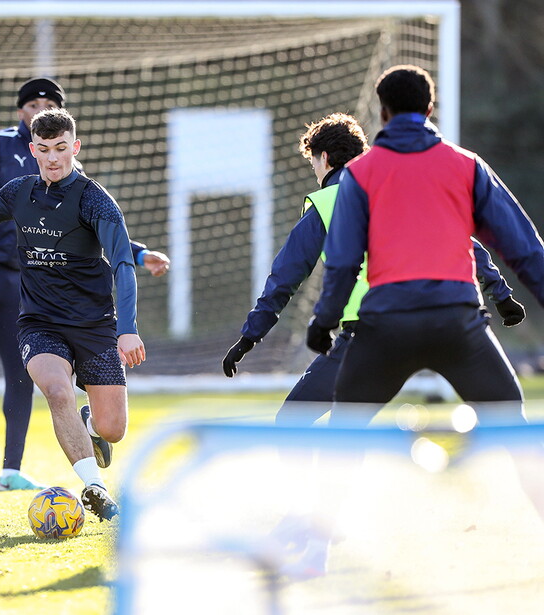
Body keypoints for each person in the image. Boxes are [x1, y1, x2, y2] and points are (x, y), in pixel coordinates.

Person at [221, 112, 525, 577]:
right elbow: (467, 242)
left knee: (302, 422)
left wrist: (250, 335)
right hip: (444, 323)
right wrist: (501, 294)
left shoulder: (326, 202)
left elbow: (285, 277)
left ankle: (312, 527)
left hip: (369, 335)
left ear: (323, 158)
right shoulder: (402, 187)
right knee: (511, 423)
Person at [304, 64, 544, 576]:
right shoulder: (466, 165)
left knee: (344, 433)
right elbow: (522, 248)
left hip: (384, 328)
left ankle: (314, 554)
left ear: (383, 113)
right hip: (457, 325)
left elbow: (344, 262)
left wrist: (324, 322)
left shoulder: (361, 176)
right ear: (429, 109)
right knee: (515, 429)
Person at [0, 77, 169, 494]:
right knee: (14, 376)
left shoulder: (88, 191)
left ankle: (45, 449)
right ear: (29, 139)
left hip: (56, 300)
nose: (52, 157)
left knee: (83, 410)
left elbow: (108, 247)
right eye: (43, 147)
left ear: (74, 145)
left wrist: (134, 288)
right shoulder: (4, 165)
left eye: (60, 148)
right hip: (5, 293)